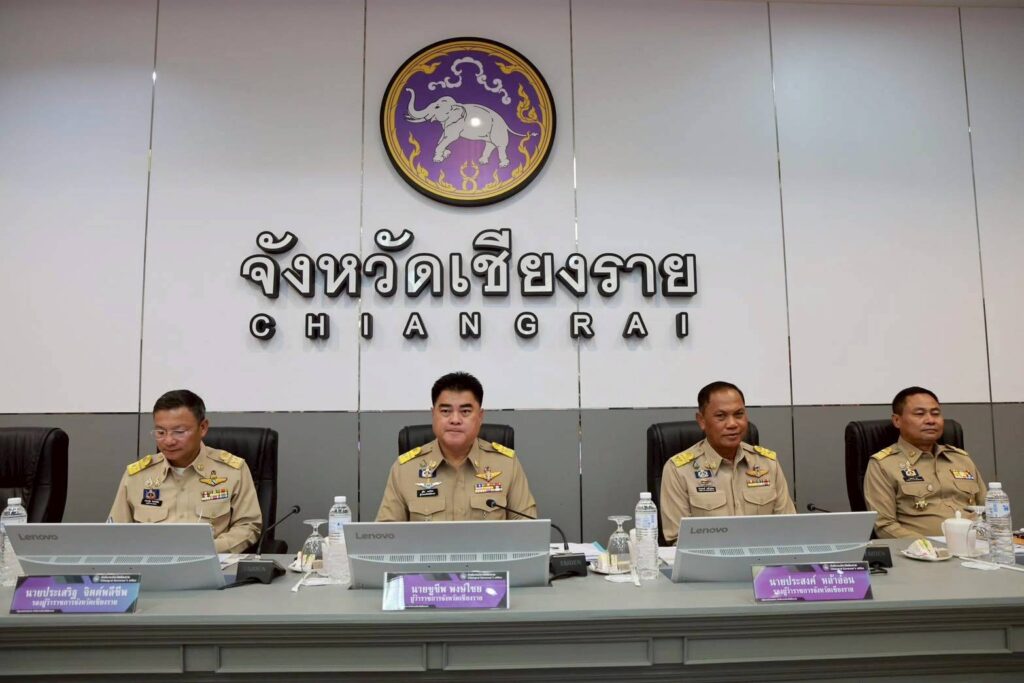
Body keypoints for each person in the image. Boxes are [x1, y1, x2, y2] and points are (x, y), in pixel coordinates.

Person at [108, 390, 262, 553]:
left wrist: (207, 549)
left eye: (179, 432)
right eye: (160, 432)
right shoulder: (137, 476)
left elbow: (248, 526)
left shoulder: (232, 471)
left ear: (203, 428)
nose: (168, 441)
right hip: (152, 562)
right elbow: (115, 533)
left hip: (210, 560)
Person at [376, 371, 537, 522]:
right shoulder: (405, 470)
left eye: (465, 411)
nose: (455, 420)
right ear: (433, 414)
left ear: (480, 416)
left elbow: (527, 530)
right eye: (446, 411)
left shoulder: (507, 465)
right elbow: (388, 535)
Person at [660, 381, 796, 543]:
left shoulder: (768, 464)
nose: (732, 424)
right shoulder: (678, 470)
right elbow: (679, 540)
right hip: (709, 558)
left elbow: (789, 528)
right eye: (721, 416)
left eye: (739, 414)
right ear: (701, 420)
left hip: (763, 556)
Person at [863, 386, 986, 539]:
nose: (930, 420)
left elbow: (990, 511)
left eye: (935, 413)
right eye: (920, 414)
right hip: (923, 551)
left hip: (978, 546)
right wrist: (931, 547)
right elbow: (885, 526)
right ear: (897, 420)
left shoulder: (961, 459)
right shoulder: (883, 465)